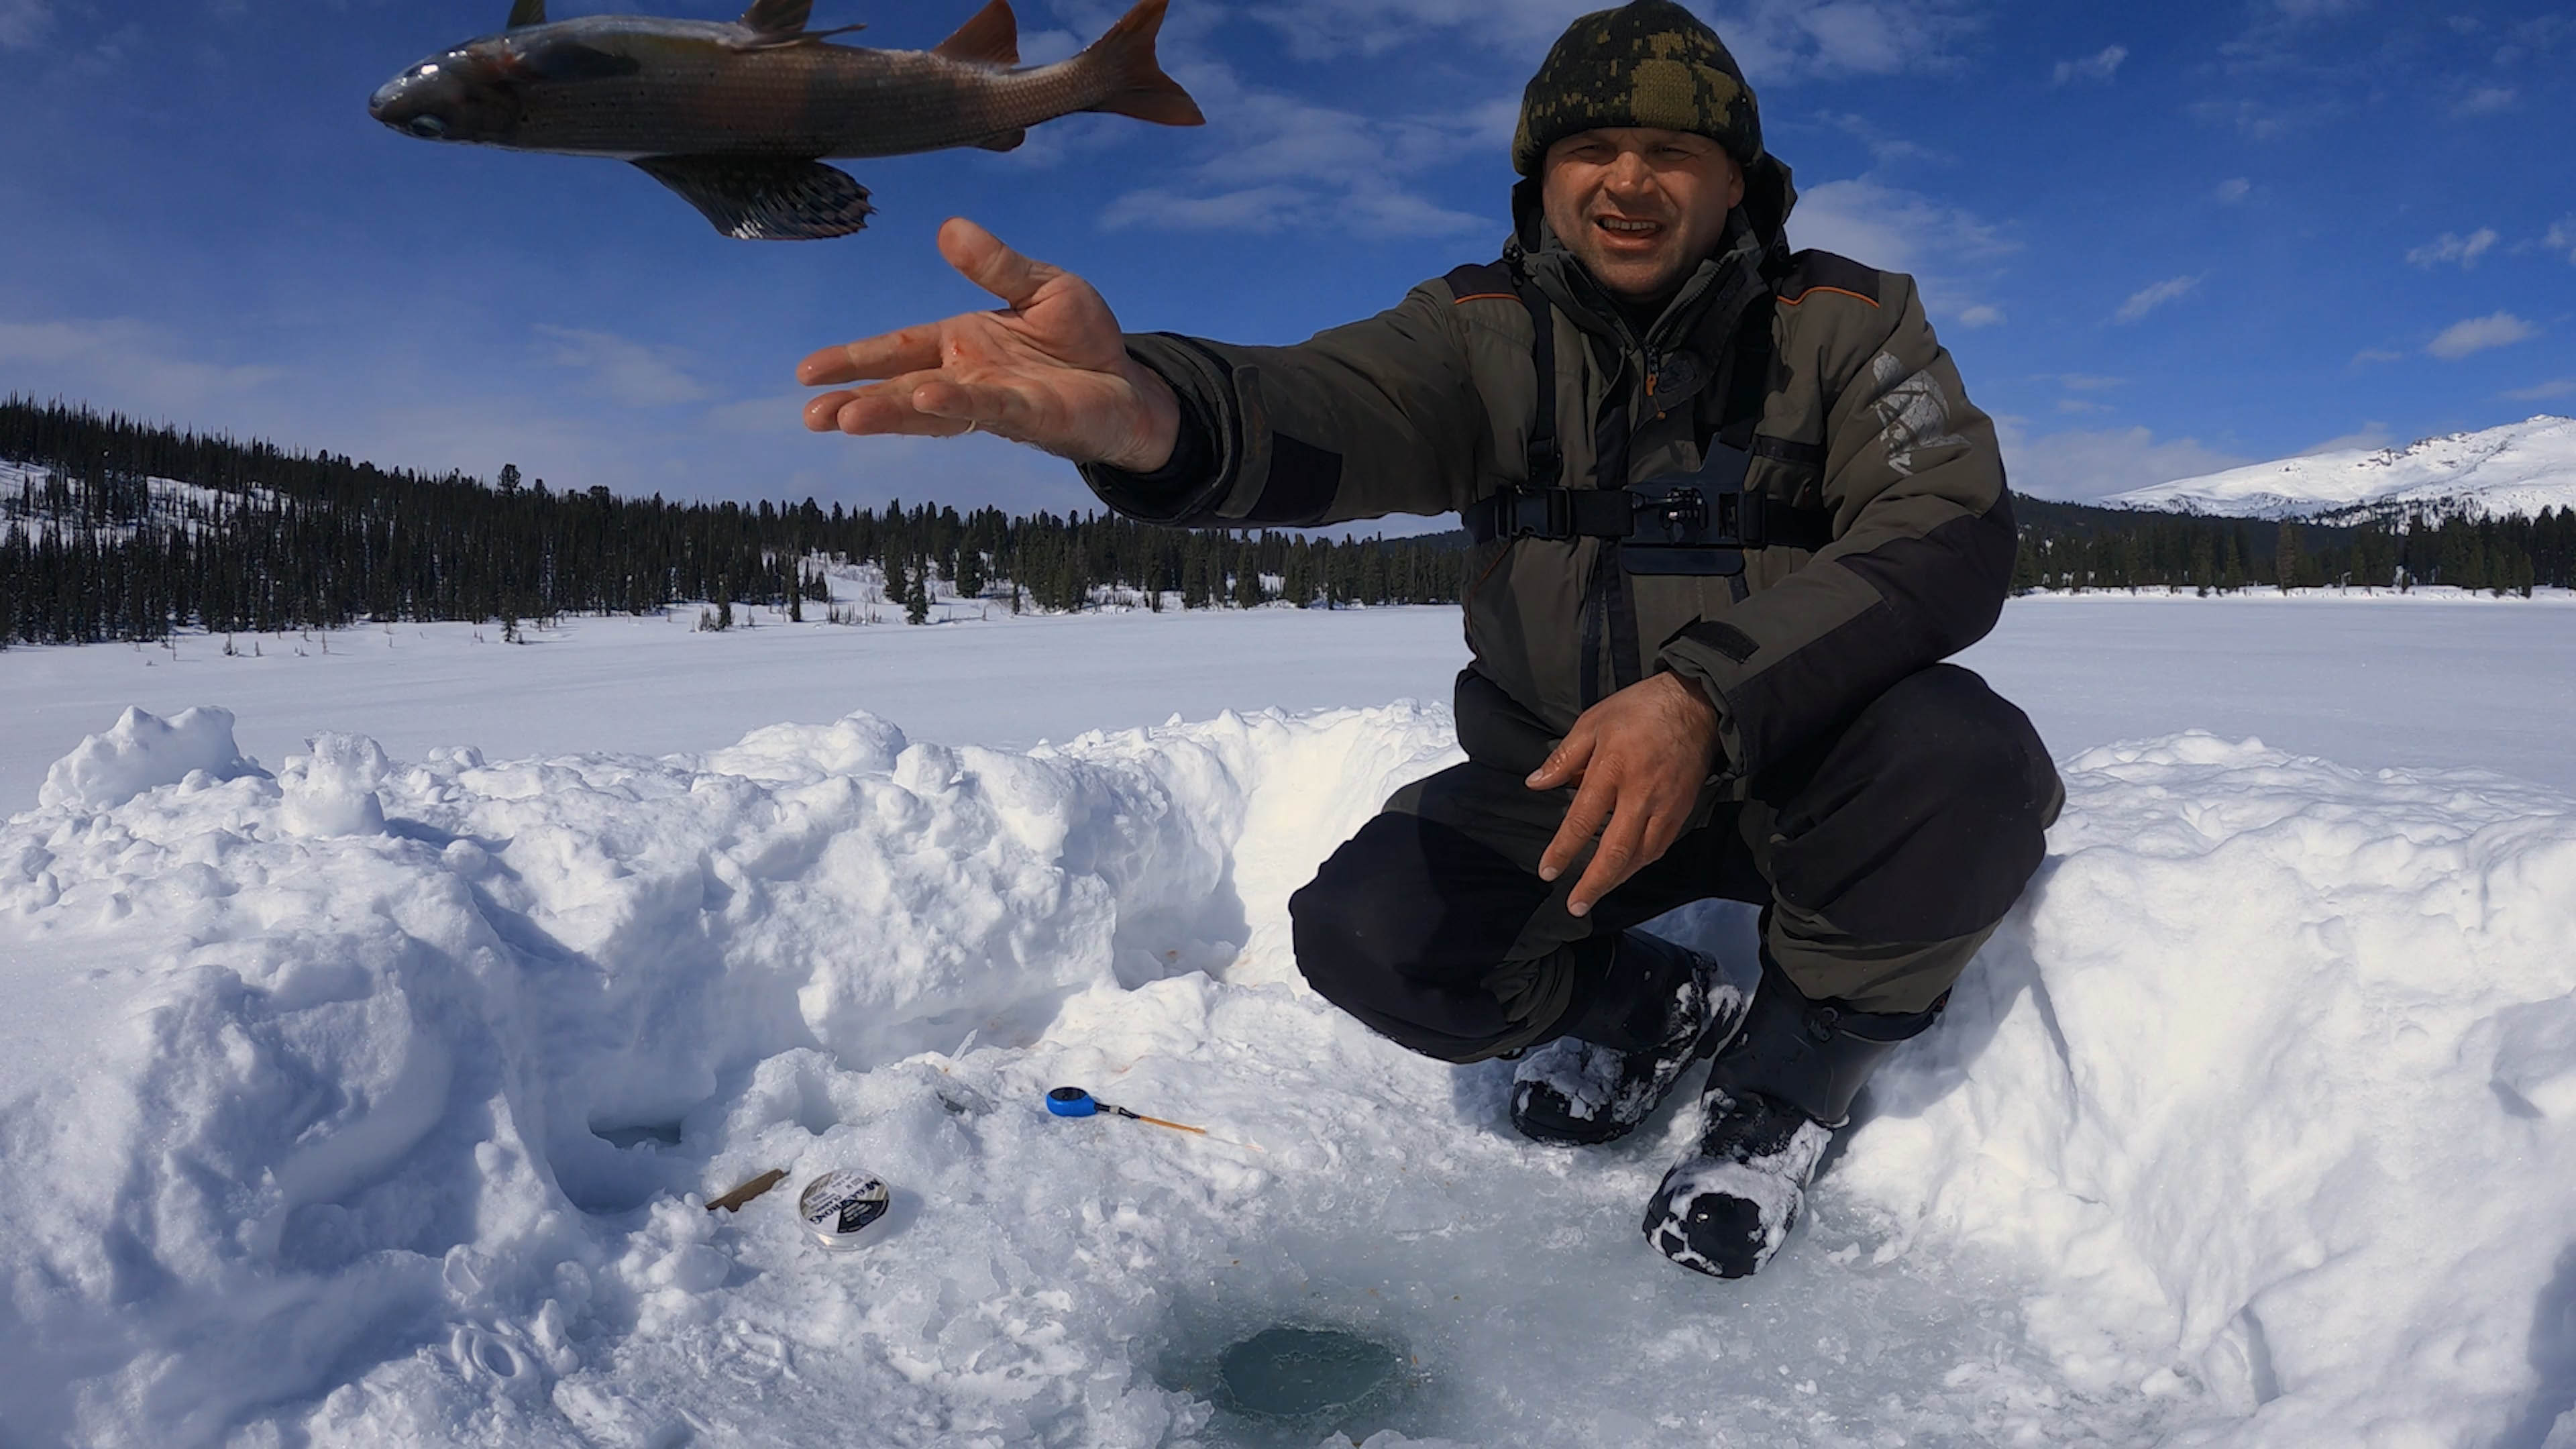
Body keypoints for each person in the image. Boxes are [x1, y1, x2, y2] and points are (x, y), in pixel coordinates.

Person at [798, 0, 2062, 1279]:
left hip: (1802, 763)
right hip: (1568, 782)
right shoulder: (1479, 333)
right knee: (1373, 934)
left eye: (1673, 152)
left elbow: (1944, 528)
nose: (1629, 180)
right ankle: (1647, 1006)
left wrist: (1702, 700)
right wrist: (1153, 411)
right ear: (1543, 177)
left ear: (1735, 178)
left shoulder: (1849, 322)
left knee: (1967, 764)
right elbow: (1326, 403)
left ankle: (1786, 1087)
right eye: (1592, 149)